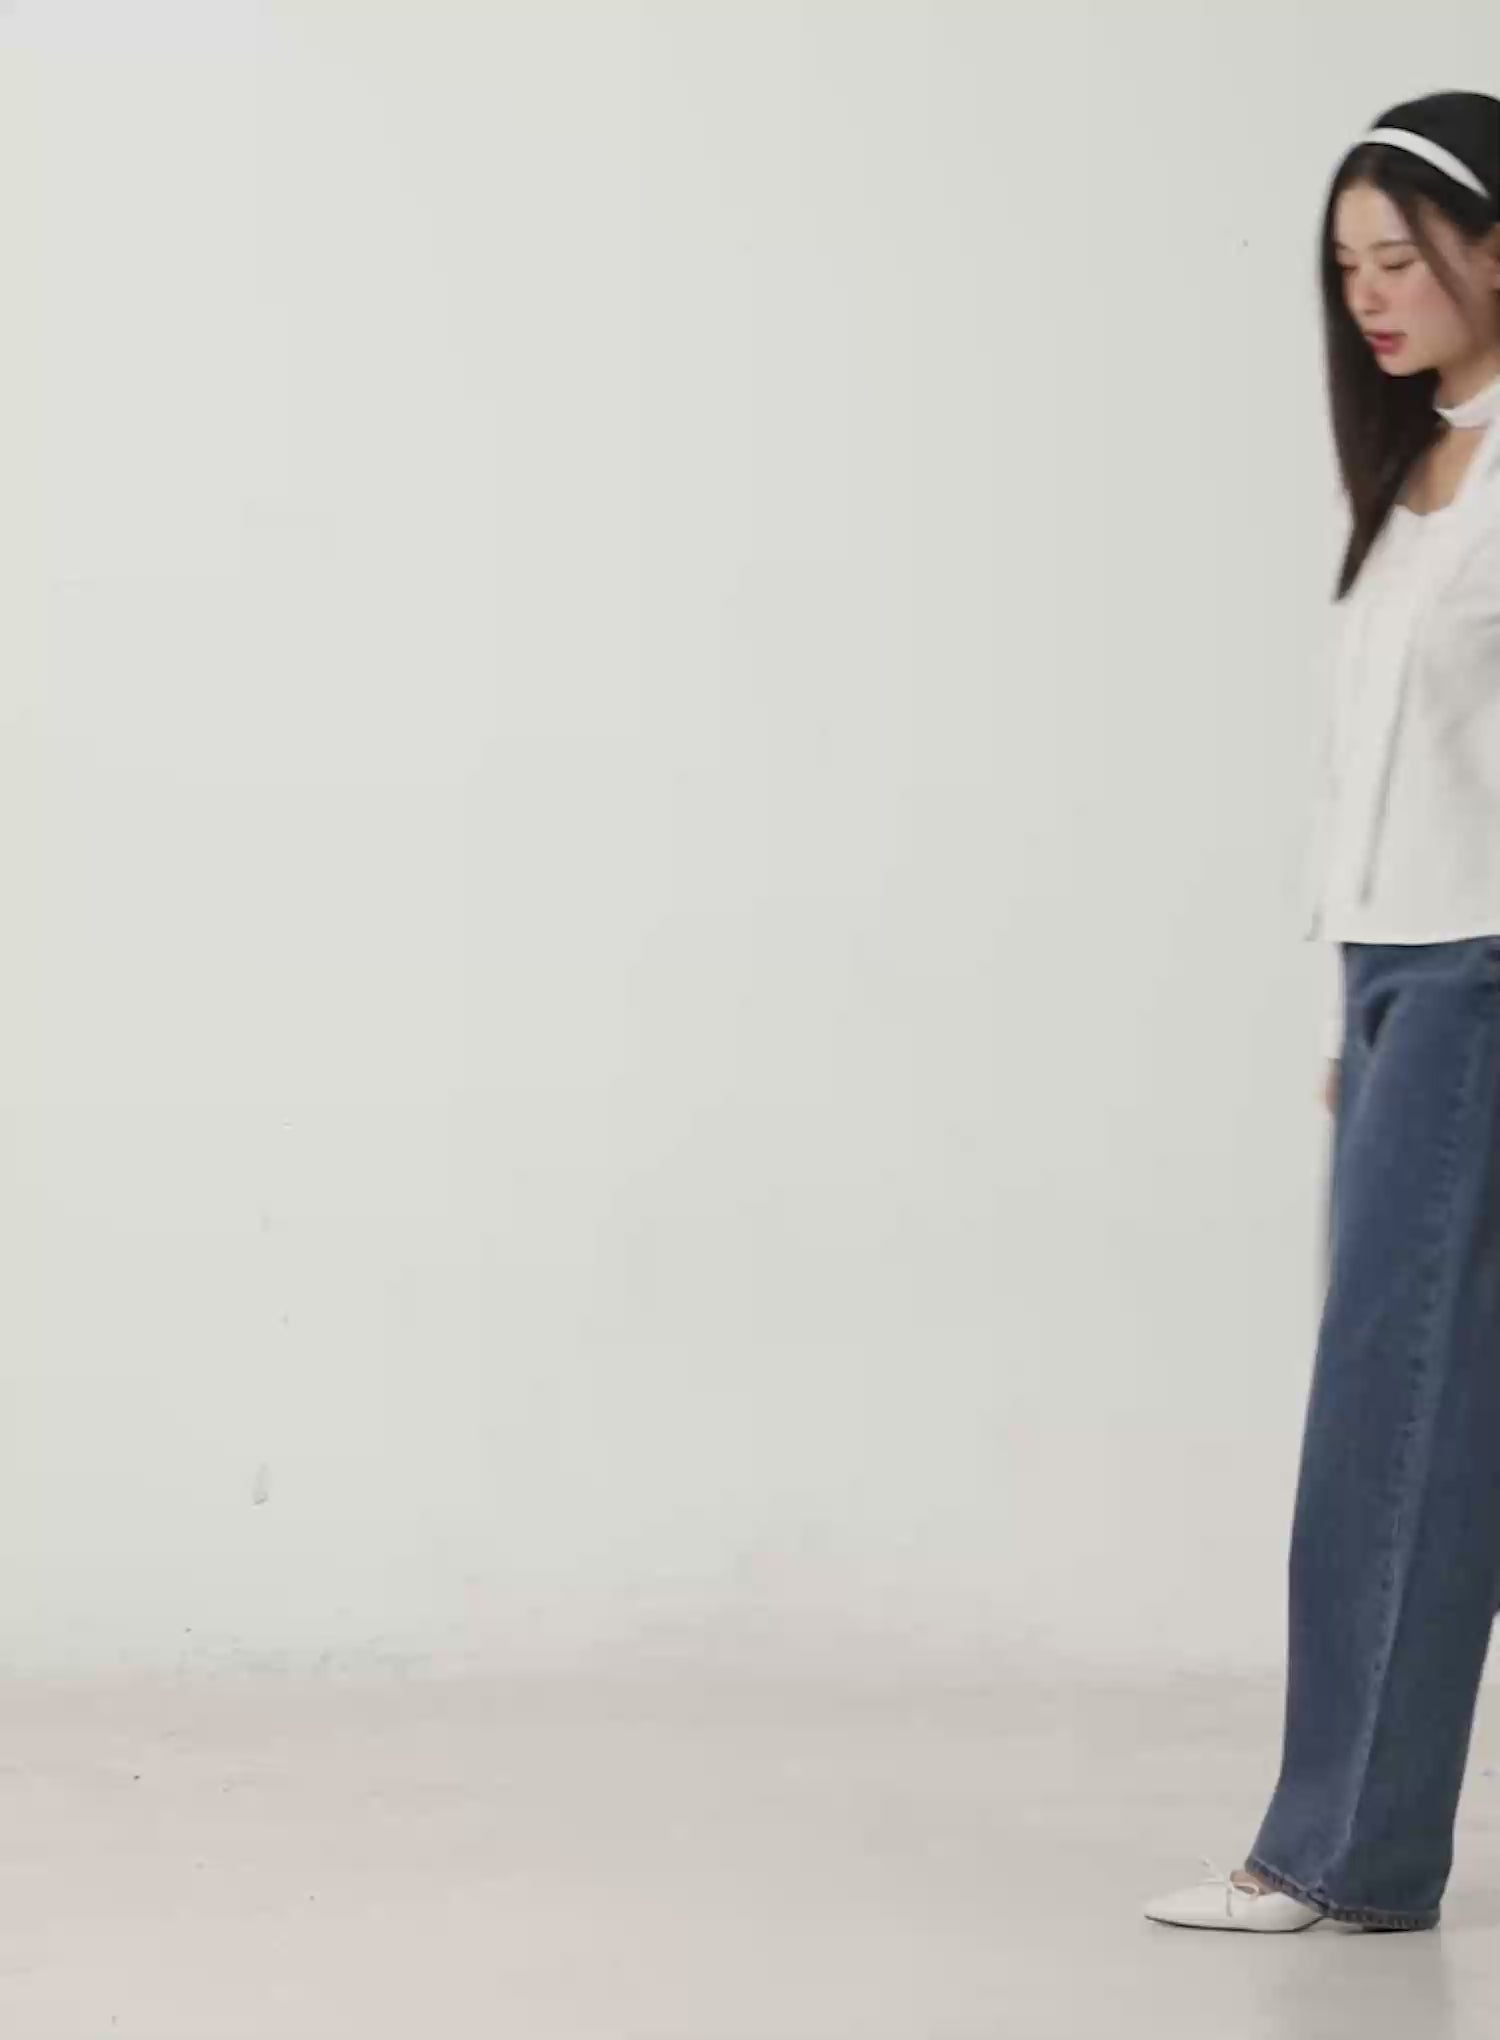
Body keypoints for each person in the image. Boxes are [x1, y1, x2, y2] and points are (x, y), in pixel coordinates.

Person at [1144, 89, 1500, 1934]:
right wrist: (1356, 1015)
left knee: (1393, 1419)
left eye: (1402, 258)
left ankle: (1330, 1850)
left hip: (1479, 980)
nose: (1368, 294)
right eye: (1346, 266)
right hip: (1396, 980)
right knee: (1431, 1421)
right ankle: (1371, 1852)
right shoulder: (1420, 468)